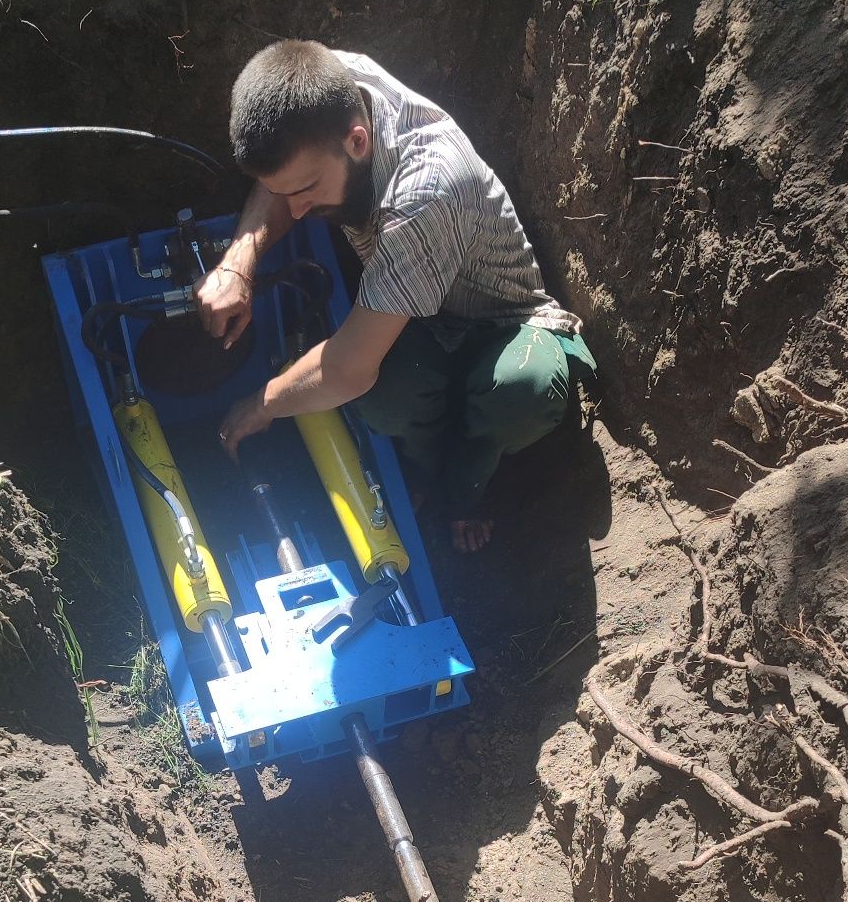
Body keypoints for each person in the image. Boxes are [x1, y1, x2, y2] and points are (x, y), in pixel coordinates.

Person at [197, 41, 594, 553]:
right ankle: (425, 466)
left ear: (357, 141)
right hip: (420, 318)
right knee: (387, 398)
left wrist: (262, 404)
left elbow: (345, 369)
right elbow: (283, 181)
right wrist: (239, 262)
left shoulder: (425, 195)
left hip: (502, 322)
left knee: (523, 390)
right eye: (285, 192)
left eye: (309, 189)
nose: (295, 212)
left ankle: (464, 492)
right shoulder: (333, 87)